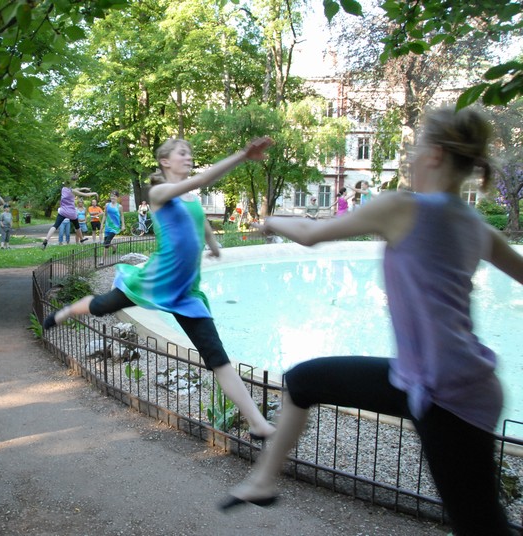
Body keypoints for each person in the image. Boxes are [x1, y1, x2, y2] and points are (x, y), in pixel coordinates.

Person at [221, 107, 522, 536]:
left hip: (450, 395)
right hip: (421, 380)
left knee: (481, 528)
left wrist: (268, 220)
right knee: (304, 381)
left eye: (416, 148)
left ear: (435, 154)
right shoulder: (477, 226)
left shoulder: (402, 207)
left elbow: (309, 234)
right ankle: (262, 481)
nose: (411, 157)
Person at [43, 137, 277, 442]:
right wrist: (242, 155)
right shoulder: (158, 193)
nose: (188, 157)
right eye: (182, 153)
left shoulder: (191, 199)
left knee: (217, 357)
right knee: (102, 305)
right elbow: (204, 179)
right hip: (155, 281)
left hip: (186, 292)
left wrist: (214, 245)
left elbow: (201, 222)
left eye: (190, 153)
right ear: (165, 161)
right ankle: (65, 312)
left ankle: (258, 424)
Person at [41, 175, 97, 249]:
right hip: (71, 213)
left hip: (63, 211)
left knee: (55, 225)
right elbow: (85, 194)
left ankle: (46, 240)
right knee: (77, 226)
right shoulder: (73, 191)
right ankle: (81, 240)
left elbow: (77, 189)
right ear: (73, 182)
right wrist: (94, 193)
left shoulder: (63, 189)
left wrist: (84, 188)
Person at [99, 190, 124, 265]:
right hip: (107, 226)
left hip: (115, 227)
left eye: (114, 196)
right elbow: (105, 215)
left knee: (106, 243)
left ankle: (102, 260)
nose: (112, 197)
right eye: (111, 196)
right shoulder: (107, 205)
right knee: (106, 243)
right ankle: (114, 247)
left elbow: (122, 216)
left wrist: (123, 225)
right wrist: (102, 225)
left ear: (117, 197)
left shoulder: (119, 206)